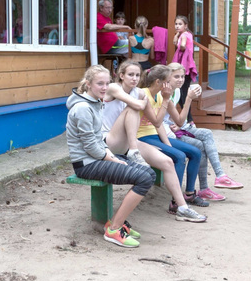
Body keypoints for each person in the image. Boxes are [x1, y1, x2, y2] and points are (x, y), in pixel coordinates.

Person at [103, 60, 207, 222]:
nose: (134, 78)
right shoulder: (114, 88)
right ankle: (134, 151)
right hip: (110, 141)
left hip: (129, 141)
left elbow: (158, 123)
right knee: (133, 108)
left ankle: (182, 207)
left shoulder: (140, 93)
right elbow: (138, 105)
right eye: (130, 75)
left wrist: (168, 99)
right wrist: (157, 99)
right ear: (121, 75)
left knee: (168, 162)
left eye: (137, 75)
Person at [66, 65, 156, 248]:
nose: (105, 87)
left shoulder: (96, 103)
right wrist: (113, 159)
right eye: (100, 83)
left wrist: (112, 156)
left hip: (98, 157)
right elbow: (90, 146)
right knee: (143, 179)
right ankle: (114, 230)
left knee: (149, 173)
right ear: (88, 84)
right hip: (86, 164)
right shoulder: (82, 108)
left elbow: (98, 140)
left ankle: (115, 222)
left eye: (107, 83)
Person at [164, 63, 244, 202]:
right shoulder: (165, 93)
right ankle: (205, 188)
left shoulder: (176, 91)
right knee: (199, 146)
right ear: (167, 77)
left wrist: (178, 123)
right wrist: (189, 99)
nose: (180, 80)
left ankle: (219, 176)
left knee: (206, 134)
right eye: (176, 77)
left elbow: (171, 116)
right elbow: (161, 117)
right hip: (165, 133)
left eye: (182, 76)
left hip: (174, 127)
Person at [138, 65, 210, 210]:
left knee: (195, 152)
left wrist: (188, 99)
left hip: (156, 136)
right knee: (179, 156)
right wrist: (166, 100)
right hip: (142, 138)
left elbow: (179, 121)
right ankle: (176, 202)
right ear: (158, 82)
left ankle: (189, 194)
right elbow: (157, 122)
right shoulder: (144, 94)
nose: (170, 84)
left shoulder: (162, 96)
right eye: (168, 81)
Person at [172, 15, 198, 124]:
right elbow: (175, 42)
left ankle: (189, 120)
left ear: (185, 25)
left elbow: (182, 45)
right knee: (183, 92)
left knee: (182, 93)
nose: (177, 26)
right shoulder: (188, 34)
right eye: (176, 24)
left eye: (180, 24)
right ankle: (188, 119)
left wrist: (182, 45)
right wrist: (177, 35)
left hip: (184, 66)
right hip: (188, 65)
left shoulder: (184, 35)